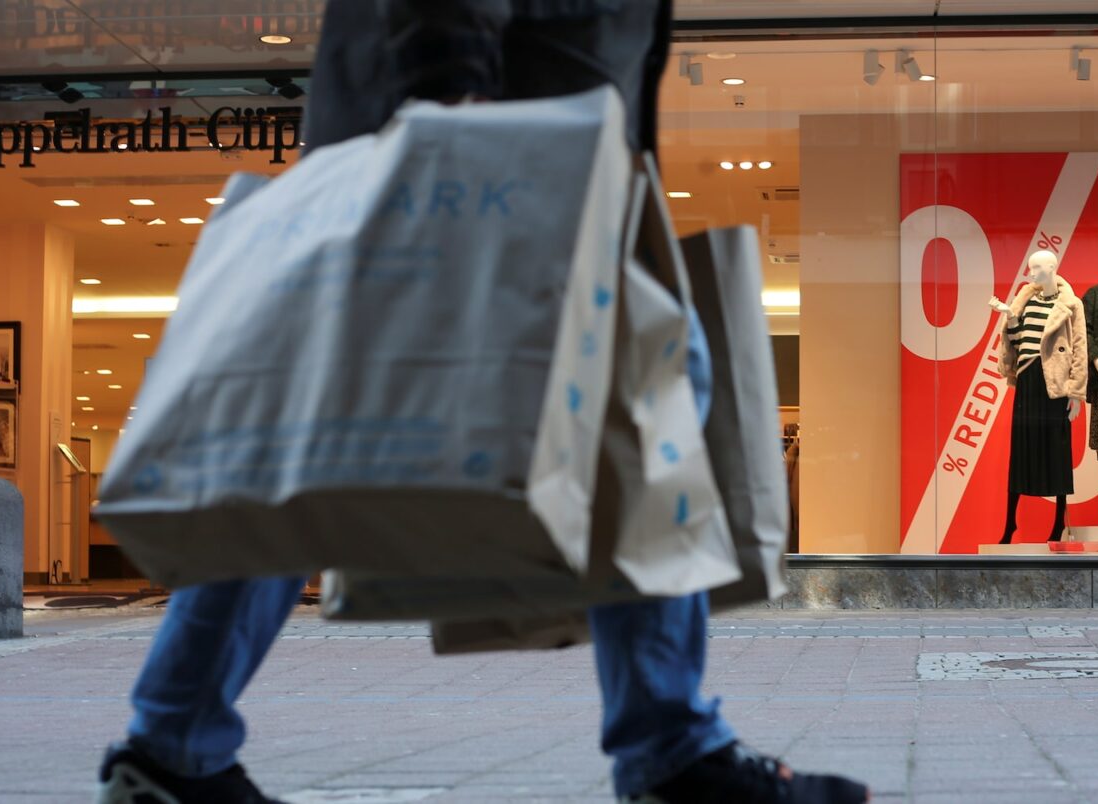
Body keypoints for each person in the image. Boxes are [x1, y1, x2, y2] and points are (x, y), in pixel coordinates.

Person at [96, 3, 871, 803]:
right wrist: (449, 93)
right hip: (494, 135)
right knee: (649, 386)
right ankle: (669, 749)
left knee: (314, 432)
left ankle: (172, 742)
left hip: (537, 138)